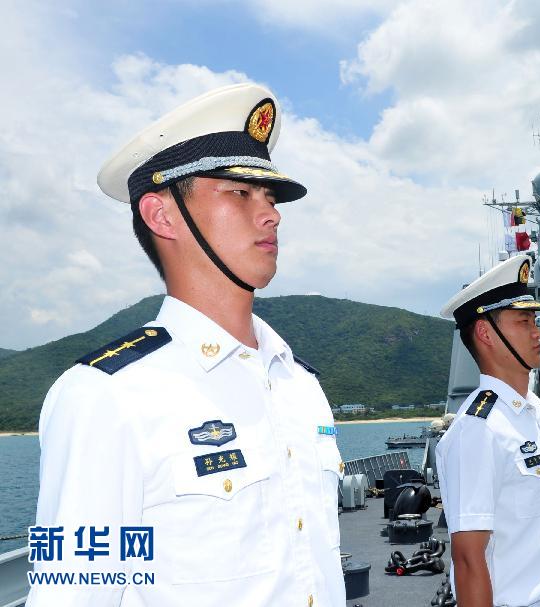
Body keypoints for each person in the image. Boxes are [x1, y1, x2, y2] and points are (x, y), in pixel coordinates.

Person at [28, 84, 345, 606]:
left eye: (269, 197)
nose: (272, 215)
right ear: (162, 216)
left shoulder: (299, 383)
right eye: (240, 194)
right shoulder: (107, 397)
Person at [435, 255, 540, 607]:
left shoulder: (528, 416)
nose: (537, 332)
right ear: (485, 333)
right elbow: (468, 558)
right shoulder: (480, 429)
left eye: (535, 320)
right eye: (523, 321)